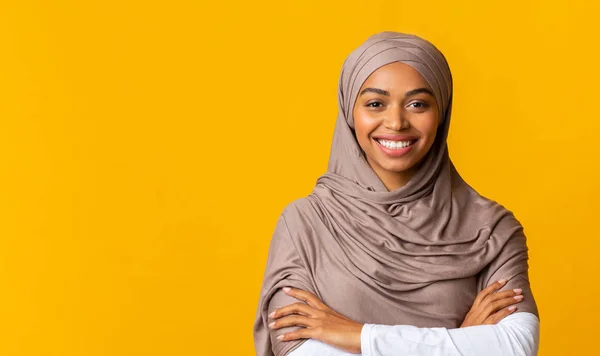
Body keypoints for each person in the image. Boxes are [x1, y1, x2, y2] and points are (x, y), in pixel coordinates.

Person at [253, 31, 540, 356]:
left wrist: (358, 336)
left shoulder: (492, 230)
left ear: (442, 112)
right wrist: (460, 341)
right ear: (349, 110)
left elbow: (515, 347)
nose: (396, 122)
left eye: (418, 104)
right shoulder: (305, 225)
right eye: (375, 103)